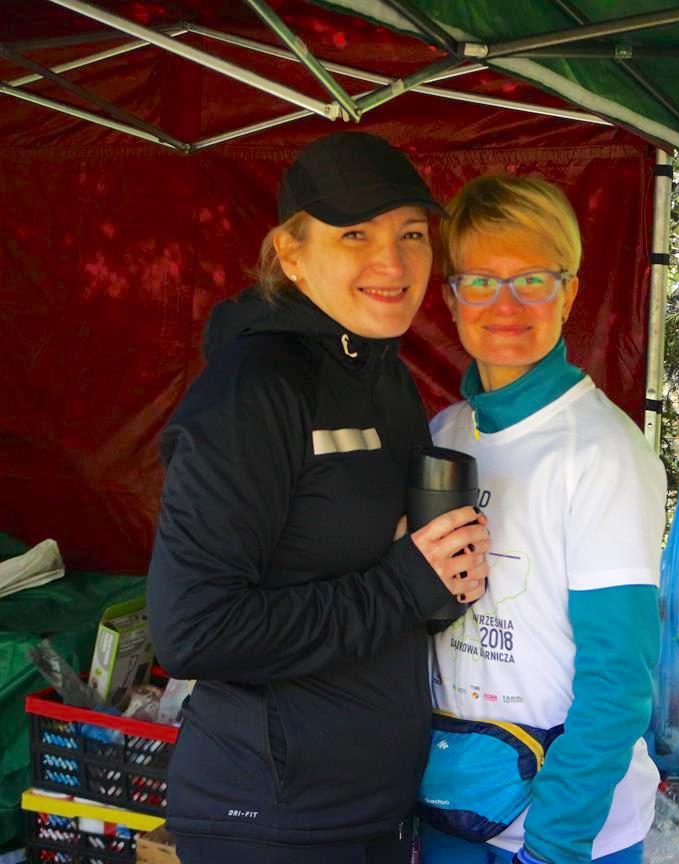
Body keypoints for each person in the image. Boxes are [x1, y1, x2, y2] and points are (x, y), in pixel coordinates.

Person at [147, 132, 490, 863]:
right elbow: (192, 631)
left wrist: (442, 579)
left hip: (375, 807)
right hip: (271, 817)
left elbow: (378, 577)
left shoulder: (384, 376)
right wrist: (403, 585)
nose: (392, 262)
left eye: (411, 234)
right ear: (292, 254)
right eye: (355, 234)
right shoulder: (254, 389)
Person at [418, 174, 666, 864]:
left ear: (570, 293)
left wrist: (555, 845)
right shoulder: (445, 434)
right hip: (454, 809)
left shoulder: (603, 452)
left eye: (533, 280)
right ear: (451, 298)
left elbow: (618, 679)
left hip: (565, 833)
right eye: (481, 282)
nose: (506, 305)